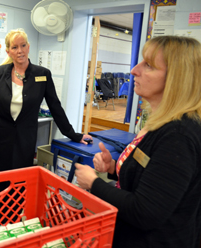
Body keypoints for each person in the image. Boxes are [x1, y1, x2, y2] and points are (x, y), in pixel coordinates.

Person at [75, 36, 201, 248]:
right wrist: (115, 168)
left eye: (149, 65)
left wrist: (94, 184)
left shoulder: (178, 135)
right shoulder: (163, 122)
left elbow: (145, 211)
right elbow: (156, 177)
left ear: (177, 79)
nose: (134, 70)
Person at [0, 28, 92, 221]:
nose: (20, 50)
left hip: (25, 140)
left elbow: (55, 106)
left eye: (23, 45)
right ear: (8, 51)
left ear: (28, 46)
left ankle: (15, 225)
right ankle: (0, 224)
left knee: (18, 187)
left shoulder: (42, 74)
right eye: (14, 47)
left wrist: (74, 134)